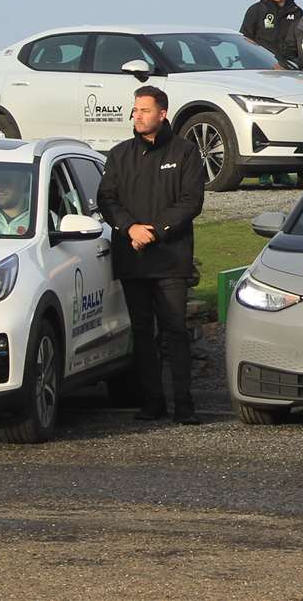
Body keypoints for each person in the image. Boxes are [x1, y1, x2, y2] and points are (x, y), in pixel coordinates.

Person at [95, 86, 204, 424]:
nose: (137, 116)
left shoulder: (185, 152)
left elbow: (190, 202)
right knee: (142, 332)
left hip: (171, 258)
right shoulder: (119, 155)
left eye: (144, 110)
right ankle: (152, 402)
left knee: (175, 330)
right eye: (135, 110)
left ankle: (184, 405)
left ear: (162, 113)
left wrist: (154, 231)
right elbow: (107, 199)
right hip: (133, 258)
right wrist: (130, 229)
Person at [239, 0, 303, 66]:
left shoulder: (297, 13)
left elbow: (302, 43)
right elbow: (244, 41)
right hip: (260, 67)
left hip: (288, 68)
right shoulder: (256, 10)